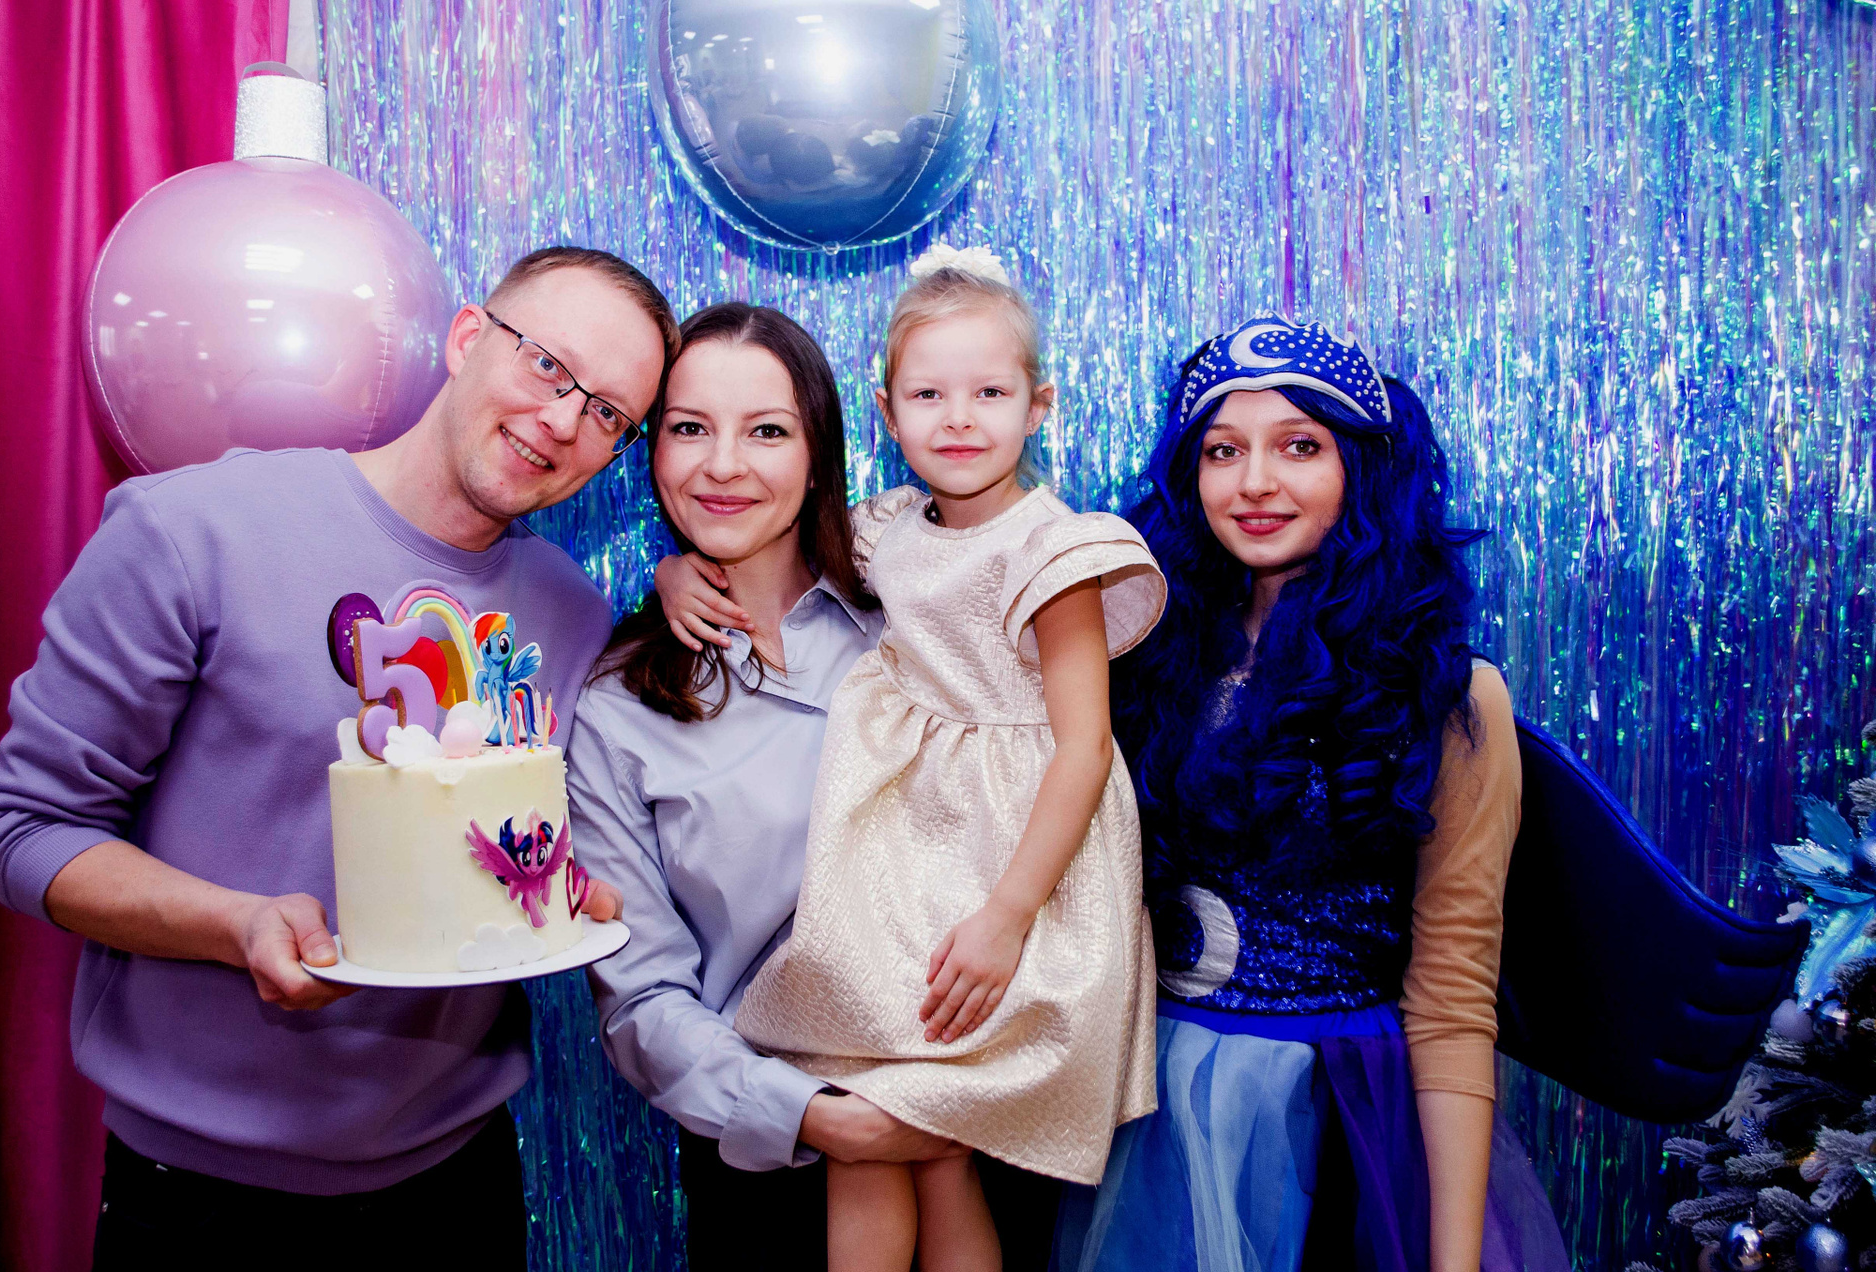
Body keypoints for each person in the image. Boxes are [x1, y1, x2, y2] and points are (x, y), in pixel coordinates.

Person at [0, 246, 676, 1267]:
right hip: (204, 1193)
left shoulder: (570, 613)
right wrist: (237, 925)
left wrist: (557, 889)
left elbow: (497, 843)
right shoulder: (194, 530)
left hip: (458, 1177)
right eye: (547, 365)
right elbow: (23, 831)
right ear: (467, 338)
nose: (563, 420)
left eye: (607, 412)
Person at [683, 245, 1165, 1272]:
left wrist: (1006, 917)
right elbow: (771, 553)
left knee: (914, 1125)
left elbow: (1084, 749)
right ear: (887, 414)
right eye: (928, 394)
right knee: (895, 1135)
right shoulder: (889, 529)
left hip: (1015, 872)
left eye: (990, 392)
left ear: (1038, 407)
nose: (958, 418)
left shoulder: (1054, 550)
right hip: (908, 870)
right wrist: (683, 571)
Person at [1053, 317, 1568, 1271]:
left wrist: (1452, 1261)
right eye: (1222, 451)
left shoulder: (1449, 696)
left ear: (1362, 471)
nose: (1255, 482)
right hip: (1145, 1108)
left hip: (1336, 1125)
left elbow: (1454, 996)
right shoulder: (1139, 662)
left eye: (1299, 446)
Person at [573, 301, 1062, 1271]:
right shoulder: (618, 706)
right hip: (771, 1161)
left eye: (766, 431)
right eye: (689, 428)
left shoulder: (919, 621)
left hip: (974, 1113)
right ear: (653, 452)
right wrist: (816, 1117)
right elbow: (641, 994)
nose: (723, 465)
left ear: (818, 454)